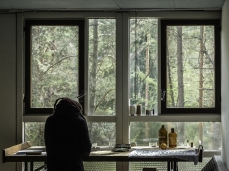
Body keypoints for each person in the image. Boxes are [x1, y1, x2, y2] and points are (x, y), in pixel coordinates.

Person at [44, 97, 91, 171]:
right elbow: (85, 150)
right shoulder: (79, 121)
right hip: (74, 166)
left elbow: (48, 143)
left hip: (53, 166)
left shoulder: (50, 121)